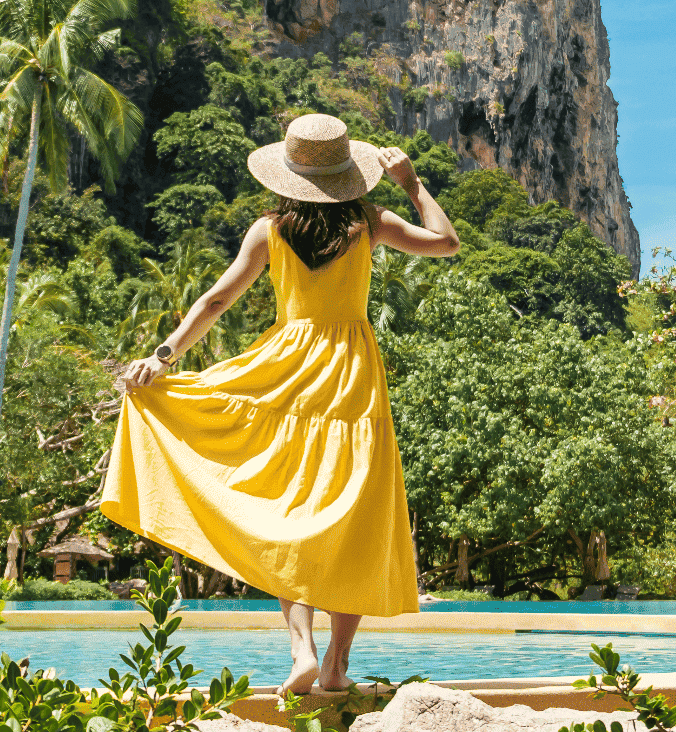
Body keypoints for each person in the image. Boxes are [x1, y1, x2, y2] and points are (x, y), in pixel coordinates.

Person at [102, 113, 460, 696]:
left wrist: (162, 358)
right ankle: (337, 666)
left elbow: (217, 300)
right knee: (356, 517)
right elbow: (447, 242)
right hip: (350, 378)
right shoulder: (371, 222)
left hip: (284, 372)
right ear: (349, 173)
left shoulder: (268, 230)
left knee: (283, 509)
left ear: (288, 174)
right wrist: (413, 184)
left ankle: (302, 651)